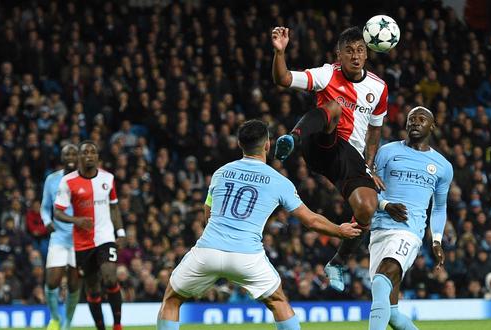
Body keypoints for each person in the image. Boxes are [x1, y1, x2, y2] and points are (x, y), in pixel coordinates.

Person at [156, 120, 361, 330]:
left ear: (239, 143)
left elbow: (208, 214)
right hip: (247, 256)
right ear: (268, 145)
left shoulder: (220, 173)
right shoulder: (278, 180)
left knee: (172, 299)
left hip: (208, 250)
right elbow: (311, 220)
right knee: (278, 301)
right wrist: (339, 230)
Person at [271, 26, 388, 291]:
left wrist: (369, 166)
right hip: (321, 144)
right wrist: (279, 53)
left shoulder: (379, 87)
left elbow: (375, 129)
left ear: (367, 53)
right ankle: (292, 137)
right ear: (339, 54)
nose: (355, 56)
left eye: (360, 50)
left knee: (367, 209)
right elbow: (284, 79)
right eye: (349, 51)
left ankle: (337, 262)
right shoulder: (327, 73)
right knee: (333, 106)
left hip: (350, 157)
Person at [369, 107, 453, 330]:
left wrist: (436, 240)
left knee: (382, 277)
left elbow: (439, 207)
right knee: (391, 312)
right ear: (406, 125)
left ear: (431, 126)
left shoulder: (443, 167)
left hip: (409, 230)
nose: (416, 122)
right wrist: (385, 205)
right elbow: (368, 190)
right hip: (378, 229)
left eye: (422, 119)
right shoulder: (386, 152)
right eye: (411, 119)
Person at [54, 141, 125, 330]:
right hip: (82, 243)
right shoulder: (68, 181)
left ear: (97, 157)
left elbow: (114, 206)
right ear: (79, 157)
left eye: (93, 152)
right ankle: (100, 327)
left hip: (105, 237)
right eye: (85, 152)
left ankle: (117, 325)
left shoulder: (108, 178)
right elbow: (58, 212)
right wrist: (76, 220)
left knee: (110, 277)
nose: (89, 155)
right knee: (92, 288)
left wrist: (121, 231)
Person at [41, 144, 80, 330]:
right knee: (52, 281)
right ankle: (55, 318)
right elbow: (44, 207)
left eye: (74, 153)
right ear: (62, 157)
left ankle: (68, 323)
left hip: (79, 238)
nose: (71, 156)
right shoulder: (52, 179)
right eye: (67, 153)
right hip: (58, 236)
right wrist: (47, 221)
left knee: (73, 284)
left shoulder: (84, 179)